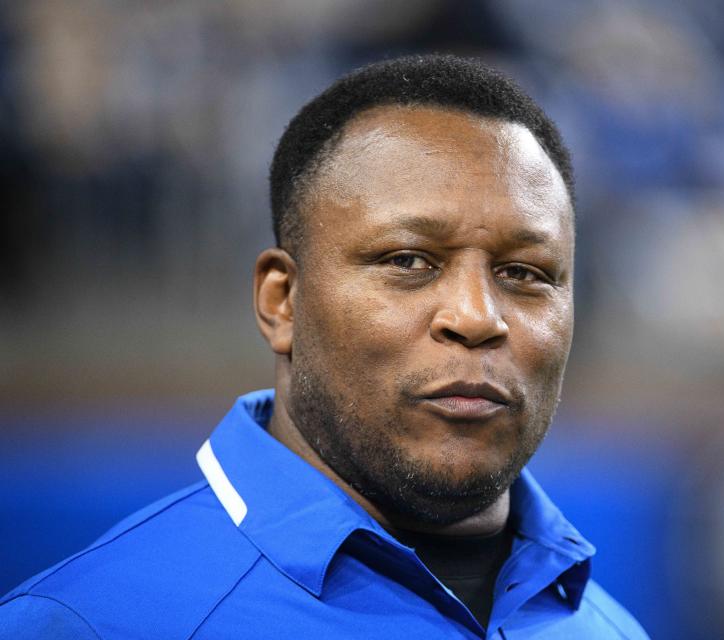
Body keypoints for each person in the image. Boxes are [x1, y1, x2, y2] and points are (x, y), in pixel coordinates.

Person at [0, 54, 648, 639]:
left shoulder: (608, 629)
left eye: (525, 273)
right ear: (281, 302)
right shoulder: (90, 622)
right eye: (409, 260)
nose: (477, 317)